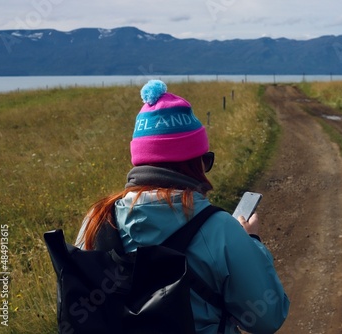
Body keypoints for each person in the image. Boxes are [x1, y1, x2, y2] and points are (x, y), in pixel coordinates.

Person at [75, 80, 289, 333]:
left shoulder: (97, 219)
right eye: (205, 160)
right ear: (195, 163)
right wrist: (251, 241)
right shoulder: (220, 228)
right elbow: (268, 318)